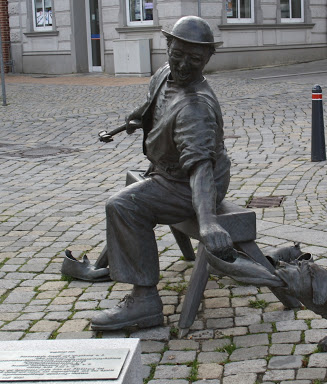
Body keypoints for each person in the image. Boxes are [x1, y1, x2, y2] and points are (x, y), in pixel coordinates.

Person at [91, 16, 233, 331]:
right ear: (167, 46)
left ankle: (144, 302)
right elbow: (155, 106)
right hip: (169, 171)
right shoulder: (164, 75)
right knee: (131, 190)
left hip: (191, 184)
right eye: (177, 54)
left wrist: (208, 222)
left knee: (124, 205)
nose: (183, 65)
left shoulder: (196, 108)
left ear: (208, 58)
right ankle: (125, 273)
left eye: (195, 60)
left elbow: (200, 168)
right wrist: (138, 118)